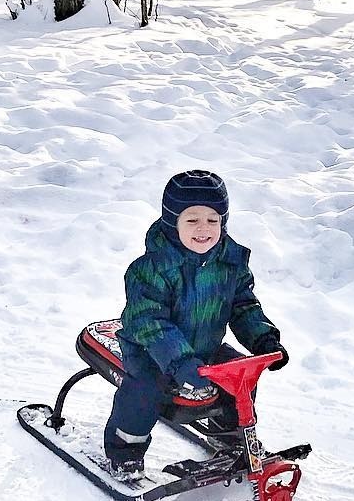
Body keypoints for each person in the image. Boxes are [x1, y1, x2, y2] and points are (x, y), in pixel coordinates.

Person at [103, 170, 288, 479]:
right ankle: (126, 450)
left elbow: (243, 305)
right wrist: (180, 360)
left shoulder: (230, 263)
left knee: (239, 375)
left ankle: (227, 434)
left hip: (205, 348)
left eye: (212, 221)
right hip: (151, 350)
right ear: (172, 222)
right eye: (192, 220)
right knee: (145, 389)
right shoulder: (151, 269)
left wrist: (263, 340)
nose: (203, 230)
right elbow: (150, 321)